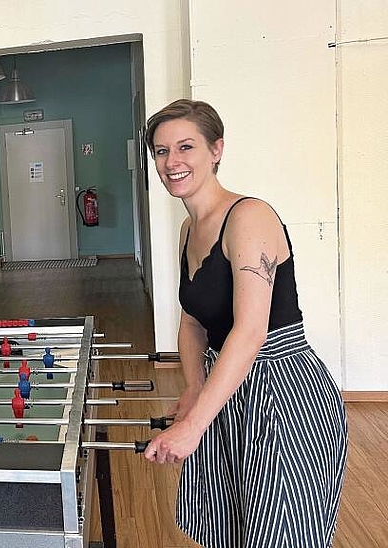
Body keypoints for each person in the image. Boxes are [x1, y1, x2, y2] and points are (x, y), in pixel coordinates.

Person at [142, 100, 347, 547]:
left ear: (216, 150)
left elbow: (251, 331)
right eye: (160, 152)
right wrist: (194, 391)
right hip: (228, 386)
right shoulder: (187, 231)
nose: (172, 162)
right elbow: (193, 321)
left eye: (185, 147)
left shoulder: (249, 217)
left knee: (283, 533)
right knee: (231, 528)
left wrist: (194, 425)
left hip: (283, 395)